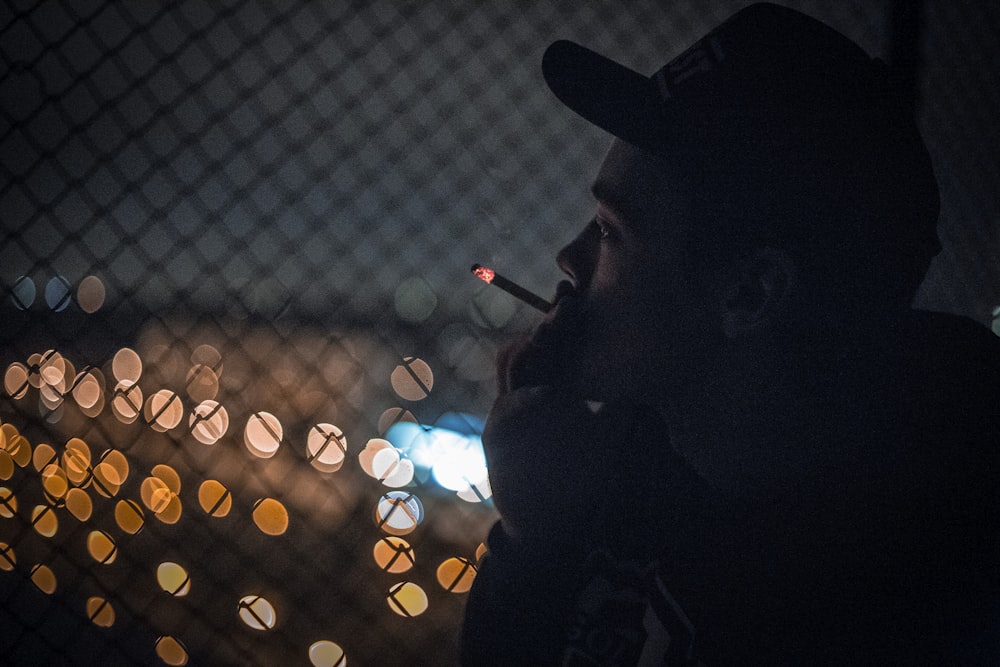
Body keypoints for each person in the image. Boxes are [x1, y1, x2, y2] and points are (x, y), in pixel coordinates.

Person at [460, 4, 1000, 665]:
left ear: (748, 294)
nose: (568, 258)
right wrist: (533, 538)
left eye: (611, 229)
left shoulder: (906, 600)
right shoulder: (638, 454)